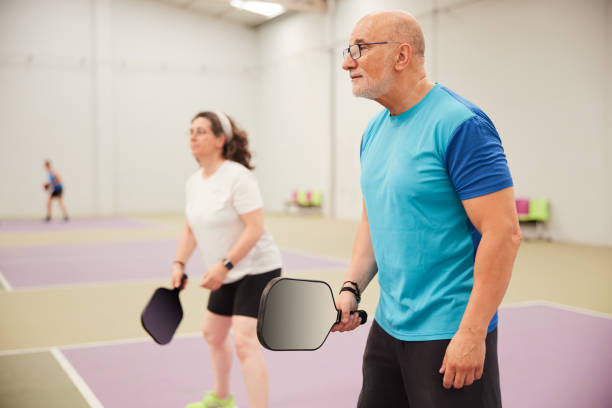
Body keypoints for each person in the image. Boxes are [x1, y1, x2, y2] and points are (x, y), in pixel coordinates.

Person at [331, 10, 522, 408]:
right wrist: (352, 286)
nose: (347, 62)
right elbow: (374, 220)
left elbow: (503, 233)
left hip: (449, 334)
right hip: (387, 329)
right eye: (348, 50)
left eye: (360, 49)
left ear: (402, 56)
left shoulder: (461, 124)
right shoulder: (373, 132)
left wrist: (471, 333)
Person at [172, 111, 282, 408]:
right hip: (227, 270)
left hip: (258, 268)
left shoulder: (237, 176)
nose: (193, 137)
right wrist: (179, 264)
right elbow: (190, 228)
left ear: (221, 140)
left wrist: (225, 265)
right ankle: (221, 399)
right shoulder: (194, 182)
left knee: (244, 340)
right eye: (191, 131)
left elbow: (255, 228)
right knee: (213, 333)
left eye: (202, 131)